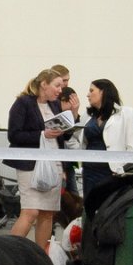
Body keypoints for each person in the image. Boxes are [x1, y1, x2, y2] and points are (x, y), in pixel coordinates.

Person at [3, 69, 66, 251]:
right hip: (31, 165)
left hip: (53, 164)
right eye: (57, 85)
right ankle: (8, 253)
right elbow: (14, 135)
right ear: (44, 84)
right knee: (30, 212)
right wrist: (42, 134)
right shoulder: (23, 103)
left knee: (47, 214)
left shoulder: (55, 106)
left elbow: (59, 138)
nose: (60, 90)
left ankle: (41, 258)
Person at [75, 78, 133, 198]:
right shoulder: (87, 116)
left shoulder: (127, 113)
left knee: (110, 207)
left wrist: (123, 169)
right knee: (90, 205)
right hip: (90, 171)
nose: (87, 94)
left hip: (114, 171)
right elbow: (80, 141)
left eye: (91, 90)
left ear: (103, 92)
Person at [53, 64, 81, 195]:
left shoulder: (68, 93)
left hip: (67, 155)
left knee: (73, 193)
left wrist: (74, 113)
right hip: (54, 154)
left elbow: (68, 135)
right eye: (63, 80)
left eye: (67, 80)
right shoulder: (50, 100)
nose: (66, 83)